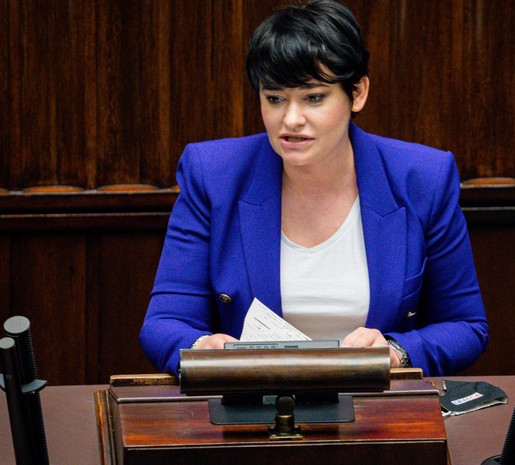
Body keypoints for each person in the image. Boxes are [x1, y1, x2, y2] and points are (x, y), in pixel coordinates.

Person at [140, 0, 487, 377]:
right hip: (252, 400)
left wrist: (396, 352)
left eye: (313, 98)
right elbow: (164, 324)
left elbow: (465, 326)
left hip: (375, 401)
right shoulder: (214, 174)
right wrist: (200, 348)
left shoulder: (422, 178)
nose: (291, 119)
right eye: (275, 99)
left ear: (357, 93)